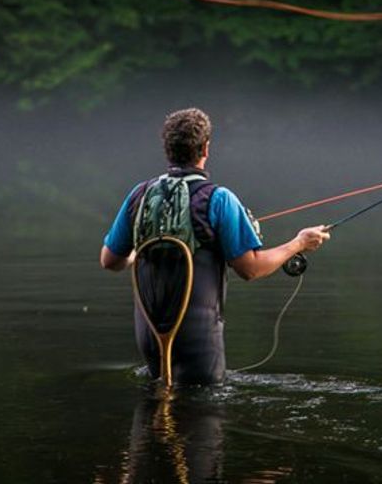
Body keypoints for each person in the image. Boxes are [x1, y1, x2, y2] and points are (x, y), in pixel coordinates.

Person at [100, 107, 329, 385]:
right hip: (198, 339)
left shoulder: (140, 195)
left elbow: (110, 261)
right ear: (205, 148)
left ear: (167, 149)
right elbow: (251, 269)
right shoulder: (219, 199)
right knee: (202, 418)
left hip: (148, 335)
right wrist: (299, 243)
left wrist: (137, 251)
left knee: (155, 413)